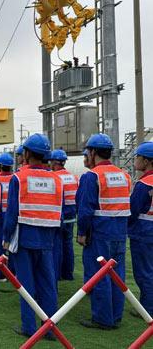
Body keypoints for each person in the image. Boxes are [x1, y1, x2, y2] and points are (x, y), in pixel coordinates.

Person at [2, 133, 63, 338]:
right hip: (47, 238)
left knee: (25, 285)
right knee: (48, 283)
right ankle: (51, 329)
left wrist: (6, 237)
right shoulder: (56, 179)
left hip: (23, 236)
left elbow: (12, 213)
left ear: (26, 153)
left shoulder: (19, 177)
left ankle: (29, 327)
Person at [76, 133, 131, 330]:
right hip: (119, 232)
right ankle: (116, 316)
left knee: (99, 275)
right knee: (117, 275)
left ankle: (102, 318)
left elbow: (85, 209)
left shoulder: (92, 176)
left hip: (99, 232)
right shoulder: (124, 175)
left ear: (92, 152)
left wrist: (82, 232)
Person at [129, 142, 153, 316]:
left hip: (144, 231)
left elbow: (133, 209)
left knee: (144, 272)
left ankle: (147, 308)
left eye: (137, 157)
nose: (135, 160)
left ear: (146, 161)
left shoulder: (144, 184)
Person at [50, 149, 78, 281]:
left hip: (60, 217)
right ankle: (68, 273)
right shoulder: (73, 177)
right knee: (68, 245)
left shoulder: (55, 178)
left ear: (54, 162)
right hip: (71, 217)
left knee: (58, 246)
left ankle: (58, 273)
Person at [0, 152, 15, 279]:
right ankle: (12, 271)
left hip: (0, 214)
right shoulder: (15, 178)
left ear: (0, 166)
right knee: (13, 243)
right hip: (13, 213)